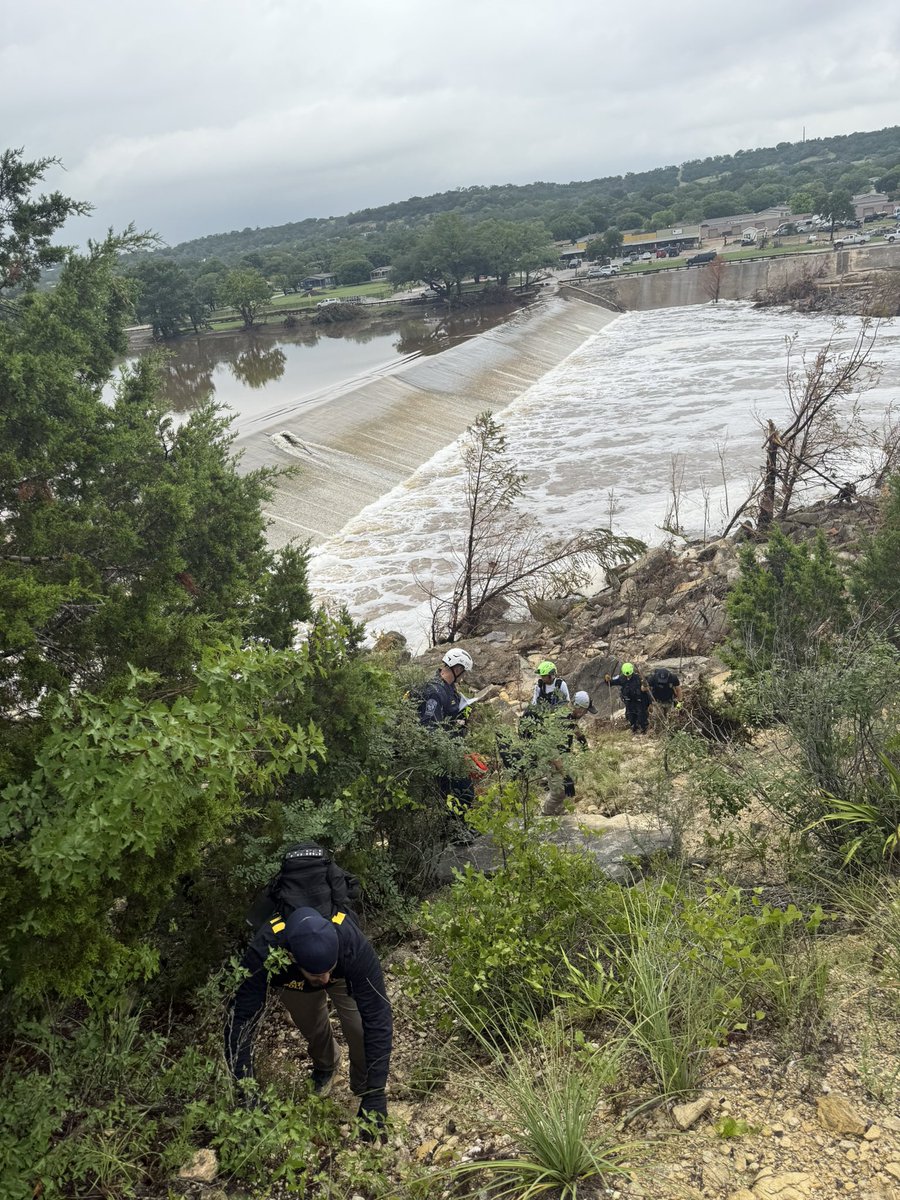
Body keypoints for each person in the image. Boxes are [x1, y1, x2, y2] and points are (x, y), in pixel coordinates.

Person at [226, 907, 392, 1135]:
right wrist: (246, 1092)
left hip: (342, 975)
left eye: (327, 971)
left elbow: (378, 1014)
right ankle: (327, 1065)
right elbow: (240, 1020)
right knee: (311, 1025)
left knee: (360, 1028)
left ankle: (363, 1087)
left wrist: (376, 1093)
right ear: (292, 956)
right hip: (292, 980)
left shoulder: (352, 943)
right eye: (318, 975)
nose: (324, 980)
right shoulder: (266, 948)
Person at [418, 648, 477, 835]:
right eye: (463, 671)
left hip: (451, 747)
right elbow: (430, 726)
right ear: (457, 669)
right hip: (442, 752)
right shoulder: (435, 691)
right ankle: (455, 830)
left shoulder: (448, 688)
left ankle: (458, 826)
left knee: (457, 791)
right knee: (461, 790)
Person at [605, 662, 652, 735]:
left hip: (640, 701)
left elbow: (647, 689)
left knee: (641, 717)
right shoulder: (621, 678)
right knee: (630, 717)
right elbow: (611, 682)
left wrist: (650, 703)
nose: (628, 676)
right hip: (629, 702)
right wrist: (607, 680)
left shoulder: (639, 678)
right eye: (627, 675)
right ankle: (634, 731)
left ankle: (643, 732)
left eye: (629, 674)